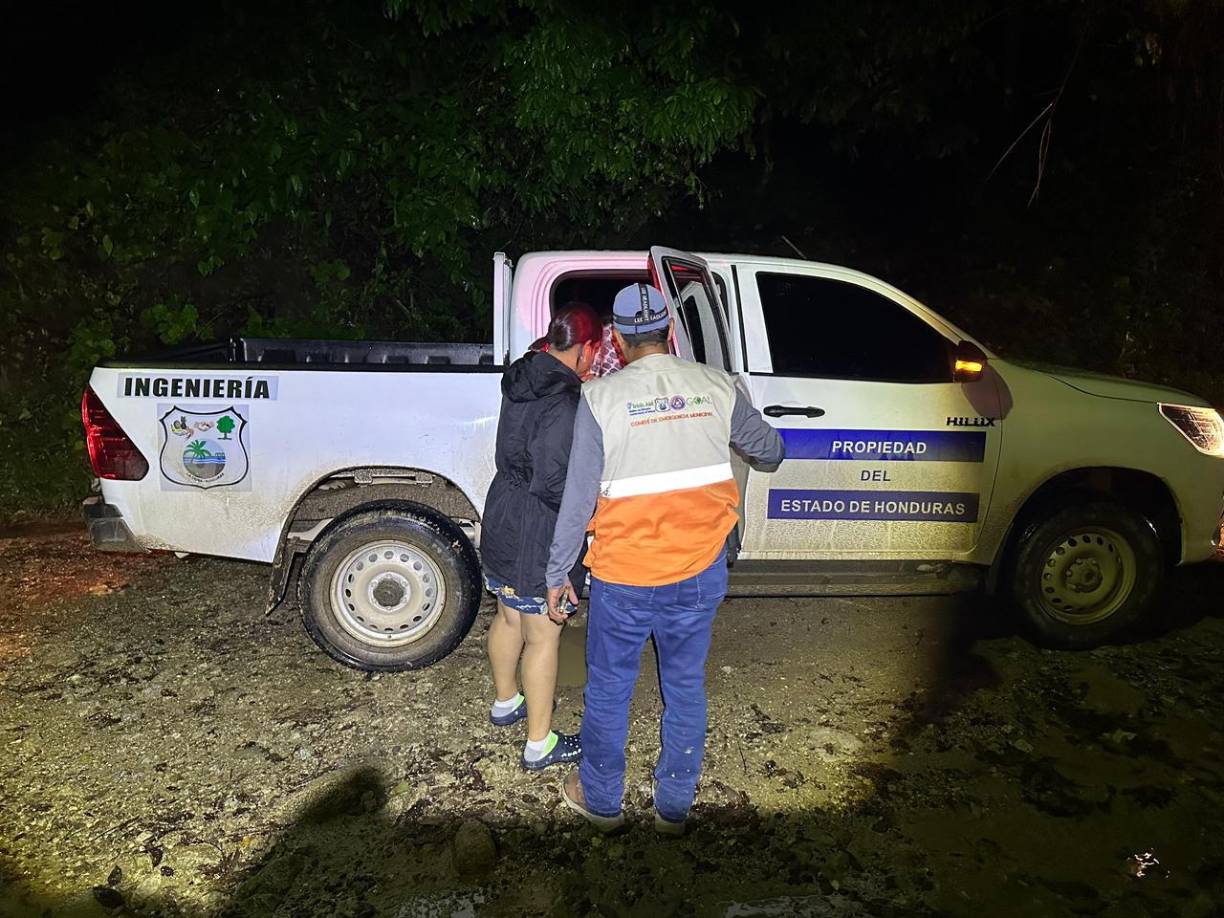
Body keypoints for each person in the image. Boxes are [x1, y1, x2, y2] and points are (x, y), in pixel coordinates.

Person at [545, 283, 785, 834]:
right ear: (670, 333)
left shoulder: (600, 398)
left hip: (624, 574)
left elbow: (579, 497)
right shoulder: (716, 386)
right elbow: (770, 452)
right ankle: (673, 805)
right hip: (698, 572)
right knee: (684, 686)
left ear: (619, 338)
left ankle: (602, 803)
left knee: (609, 688)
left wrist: (559, 572)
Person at [480, 302, 602, 770]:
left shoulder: (521, 379)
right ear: (586, 350)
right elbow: (555, 483)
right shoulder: (567, 400)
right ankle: (539, 743)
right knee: (544, 634)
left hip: (504, 507)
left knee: (508, 615)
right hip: (539, 523)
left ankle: (506, 701)